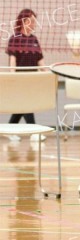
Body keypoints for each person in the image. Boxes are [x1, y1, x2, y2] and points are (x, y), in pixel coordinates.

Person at [6, 8, 44, 141]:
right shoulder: (14, 39)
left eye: (35, 21)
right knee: (28, 104)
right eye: (32, 21)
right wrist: (13, 77)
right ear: (23, 21)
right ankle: (34, 132)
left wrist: (49, 75)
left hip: (32, 79)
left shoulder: (34, 39)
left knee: (23, 106)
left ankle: (10, 130)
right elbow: (12, 61)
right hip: (20, 79)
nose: (34, 24)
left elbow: (40, 60)